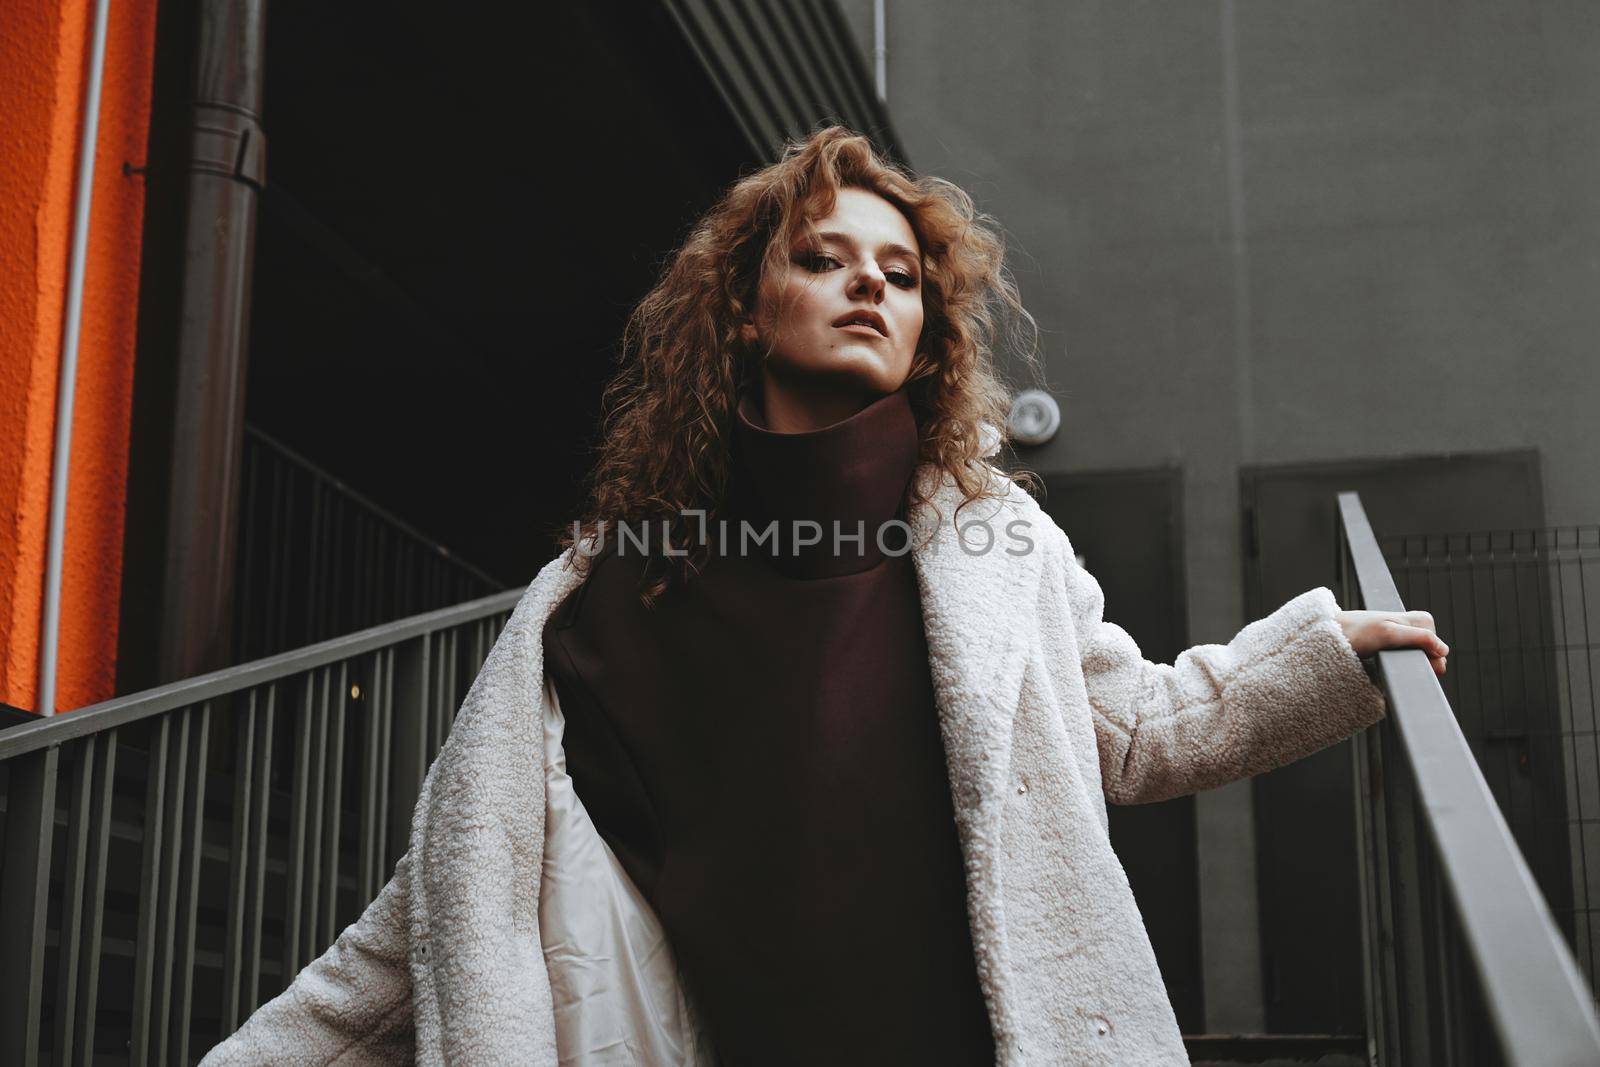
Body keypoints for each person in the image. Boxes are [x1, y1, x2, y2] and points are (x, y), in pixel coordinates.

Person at [203, 126, 1448, 1066]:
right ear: (745, 314)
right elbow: (429, 921)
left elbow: (1129, 727)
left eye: (901, 274)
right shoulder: (598, 606)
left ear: (925, 333)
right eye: (824, 257)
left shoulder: (995, 546)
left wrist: (1326, 653)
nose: (870, 285)